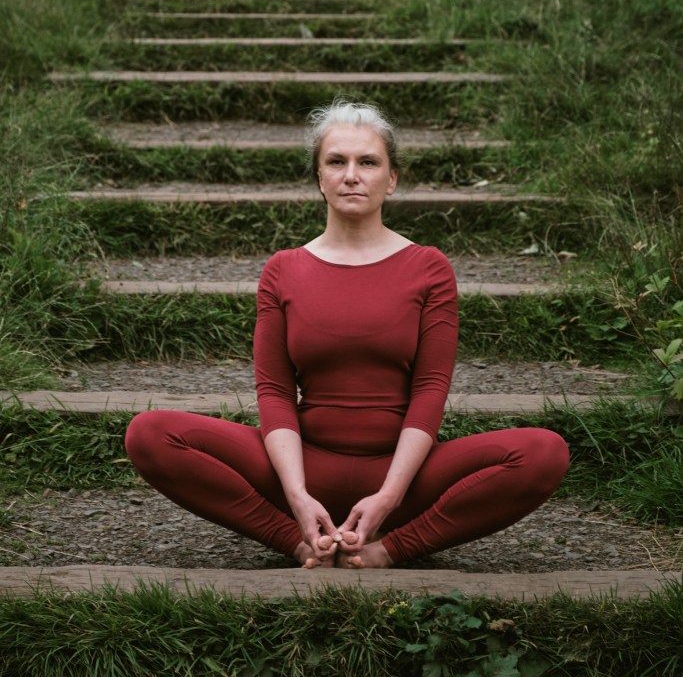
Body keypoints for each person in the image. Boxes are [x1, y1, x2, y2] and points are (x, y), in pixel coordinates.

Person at [125, 100, 569, 569]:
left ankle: (387, 548)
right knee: (150, 434)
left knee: (544, 452)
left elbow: (430, 389)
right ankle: (297, 541)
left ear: (391, 179)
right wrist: (296, 494)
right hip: (303, 467)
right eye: (336, 162)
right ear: (320, 178)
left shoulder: (428, 267)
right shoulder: (283, 270)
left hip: (405, 476)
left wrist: (390, 496)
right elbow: (274, 391)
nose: (351, 175)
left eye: (368, 162)